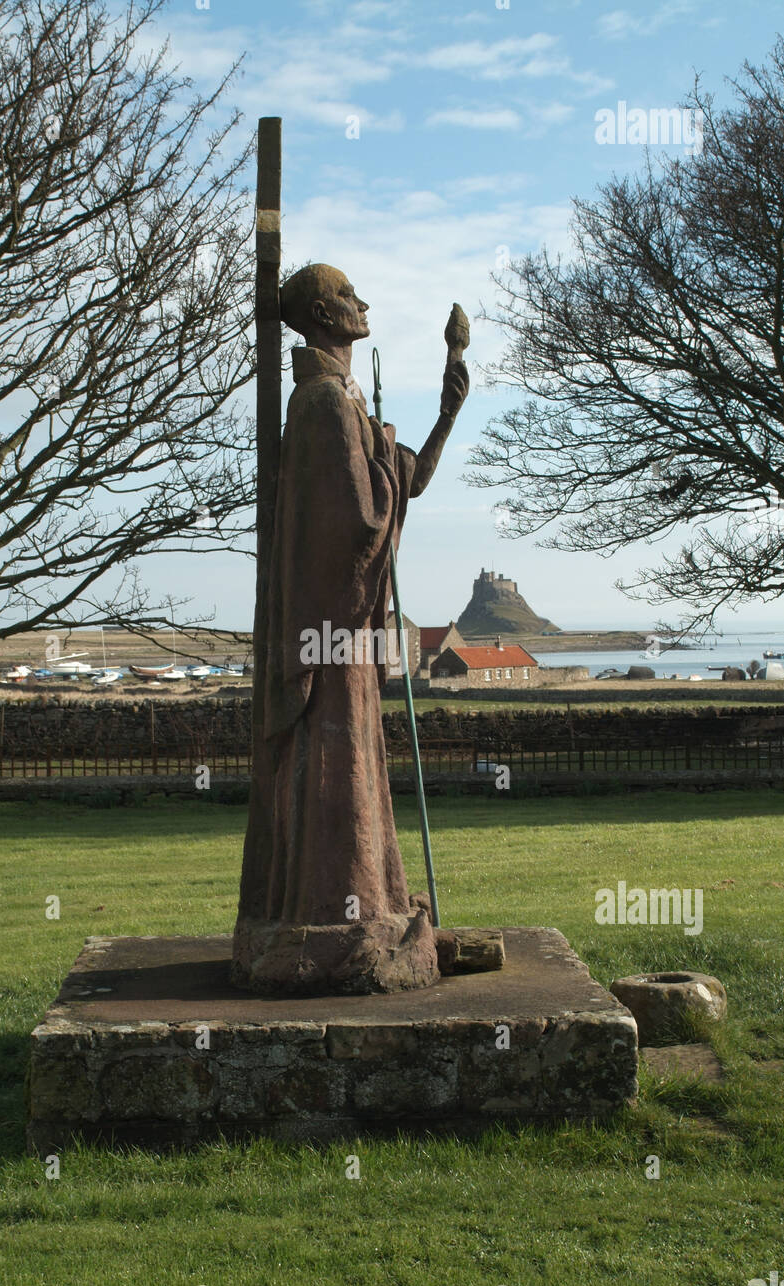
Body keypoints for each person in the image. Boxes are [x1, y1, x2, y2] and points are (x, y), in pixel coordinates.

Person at [233, 264, 468, 994]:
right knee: (339, 770)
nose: (360, 302)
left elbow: (404, 483)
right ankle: (334, 915)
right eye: (345, 294)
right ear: (318, 315)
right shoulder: (323, 405)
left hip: (345, 639)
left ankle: (363, 904)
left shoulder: (341, 402)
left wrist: (445, 411)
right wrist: (381, 459)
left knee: (356, 767)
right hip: (330, 640)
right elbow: (357, 526)